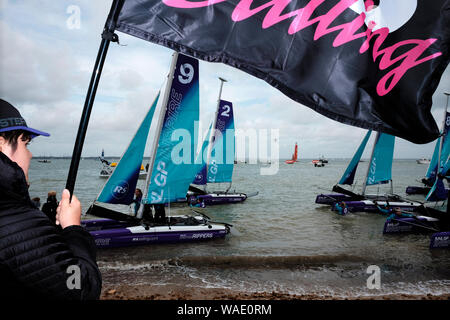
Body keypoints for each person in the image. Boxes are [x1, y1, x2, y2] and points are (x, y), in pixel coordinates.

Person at [0, 99, 101, 300]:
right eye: (25, 143)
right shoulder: (14, 219)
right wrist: (73, 228)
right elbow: (82, 288)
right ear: (1, 141)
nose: (30, 155)